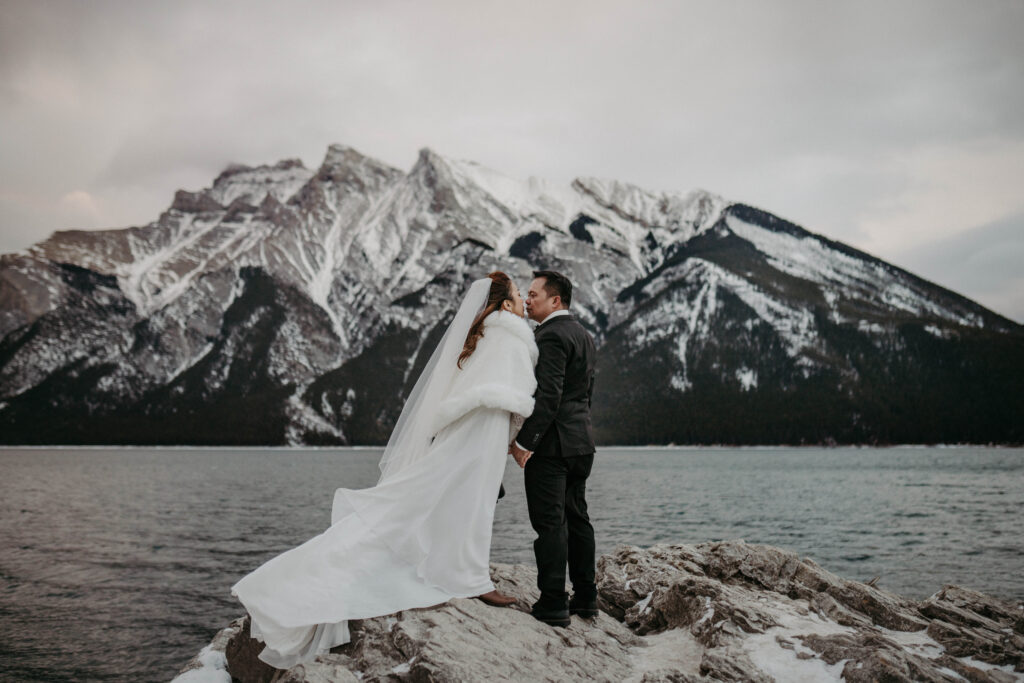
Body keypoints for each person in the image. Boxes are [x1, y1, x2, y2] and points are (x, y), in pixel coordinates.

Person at [231, 272, 539, 669]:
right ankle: (471, 578)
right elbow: (515, 394)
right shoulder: (509, 336)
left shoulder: (485, 336)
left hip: (474, 431)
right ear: (504, 304)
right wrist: (514, 439)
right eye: (517, 294)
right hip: (481, 434)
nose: (523, 300)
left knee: (456, 501)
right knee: (471, 503)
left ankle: (463, 570)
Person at [510, 270, 598, 628]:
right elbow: (585, 394)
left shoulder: (550, 335)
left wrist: (523, 442)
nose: (528, 300)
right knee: (577, 519)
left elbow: (549, 396)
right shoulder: (583, 334)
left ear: (555, 300)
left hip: (552, 447)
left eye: (534, 294)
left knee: (549, 524)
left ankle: (552, 602)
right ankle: (586, 597)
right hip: (581, 443)